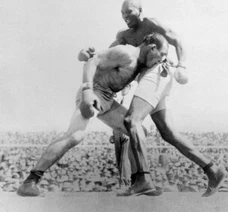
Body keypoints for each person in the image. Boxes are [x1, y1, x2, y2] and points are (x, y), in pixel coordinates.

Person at [16, 33, 169, 197]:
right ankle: (30, 181)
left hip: (108, 100)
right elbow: (92, 60)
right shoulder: (126, 53)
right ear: (152, 48)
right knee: (75, 136)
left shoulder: (142, 63)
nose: (160, 60)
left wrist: (168, 64)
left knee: (137, 132)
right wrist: (87, 90)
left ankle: (137, 182)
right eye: (161, 55)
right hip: (94, 92)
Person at [109, 0, 227, 197]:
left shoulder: (151, 24)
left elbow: (177, 40)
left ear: (140, 10)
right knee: (168, 133)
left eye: (129, 11)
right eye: (122, 13)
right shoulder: (124, 36)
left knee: (132, 120)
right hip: (148, 79)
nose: (126, 16)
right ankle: (213, 170)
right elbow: (109, 54)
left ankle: (142, 179)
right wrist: (91, 56)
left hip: (159, 72)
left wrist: (182, 65)